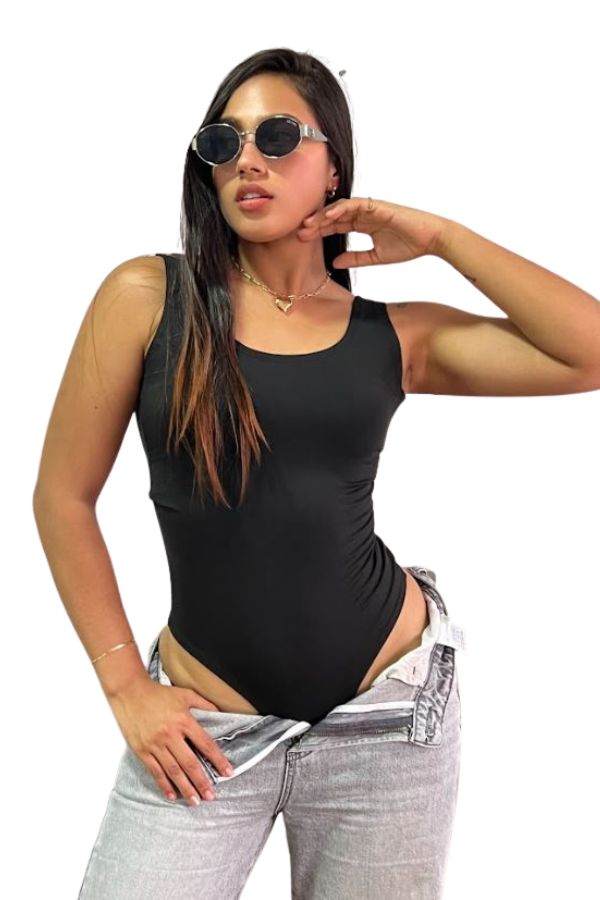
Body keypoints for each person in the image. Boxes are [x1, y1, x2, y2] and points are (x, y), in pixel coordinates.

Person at [32, 47, 600, 900]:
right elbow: (62, 497)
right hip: (205, 727)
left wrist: (441, 239)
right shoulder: (148, 298)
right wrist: (123, 683)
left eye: (278, 135)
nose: (248, 159)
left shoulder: (392, 336)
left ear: (334, 164)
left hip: (386, 716)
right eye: (224, 142)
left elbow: (588, 350)